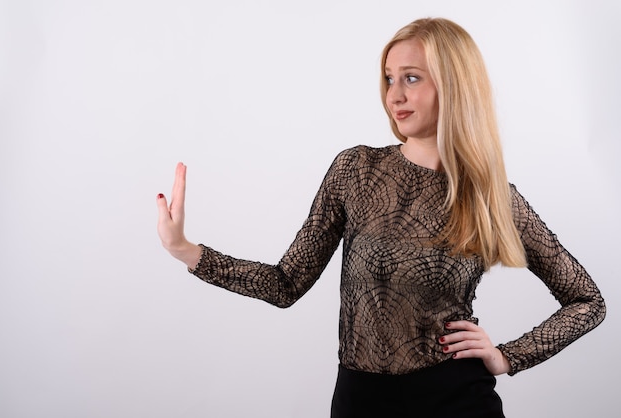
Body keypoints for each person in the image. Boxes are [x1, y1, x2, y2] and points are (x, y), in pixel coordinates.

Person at [156, 17, 605, 418]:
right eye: (389, 78)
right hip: (359, 400)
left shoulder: (490, 197)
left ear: (453, 84)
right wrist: (185, 250)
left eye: (411, 78)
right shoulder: (356, 171)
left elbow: (588, 302)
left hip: (455, 399)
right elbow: (285, 284)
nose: (395, 94)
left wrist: (507, 355)